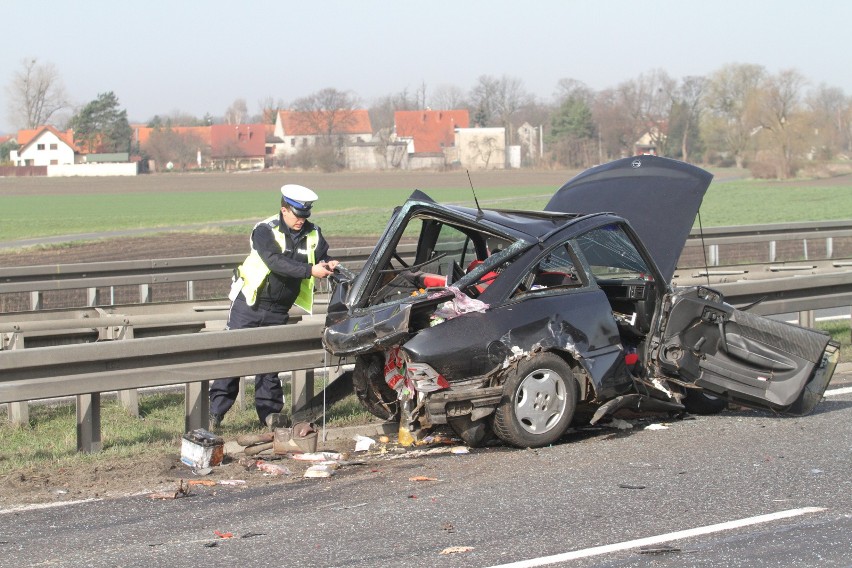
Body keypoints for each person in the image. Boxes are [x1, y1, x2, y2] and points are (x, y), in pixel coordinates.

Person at [210, 184, 338, 429]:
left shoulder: (314, 233)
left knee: (270, 364)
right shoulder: (264, 230)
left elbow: (320, 255)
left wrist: (327, 263)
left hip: (279, 309)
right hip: (249, 302)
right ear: (284, 210)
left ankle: (270, 416)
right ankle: (215, 414)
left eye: (305, 215)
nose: (302, 220)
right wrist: (310, 270)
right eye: (297, 215)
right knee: (234, 359)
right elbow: (275, 262)